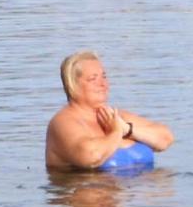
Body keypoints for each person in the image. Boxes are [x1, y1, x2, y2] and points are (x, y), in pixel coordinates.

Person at [45, 50, 175, 173]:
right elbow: (91, 156)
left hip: (129, 193)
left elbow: (165, 138)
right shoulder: (62, 122)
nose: (103, 84)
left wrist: (128, 129)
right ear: (73, 85)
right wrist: (116, 132)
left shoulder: (113, 116)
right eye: (93, 79)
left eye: (104, 76)